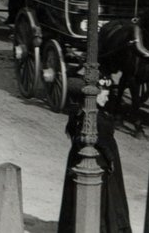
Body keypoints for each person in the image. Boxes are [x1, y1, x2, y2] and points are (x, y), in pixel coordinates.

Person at [58, 80, 130, 232]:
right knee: (105, 199)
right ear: (94, 96)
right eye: (105, 95)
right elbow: (99, 141)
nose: (107, 98)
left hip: (90, 158)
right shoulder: (93, 117)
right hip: (99, 161)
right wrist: (110, 158)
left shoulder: (84, 113)